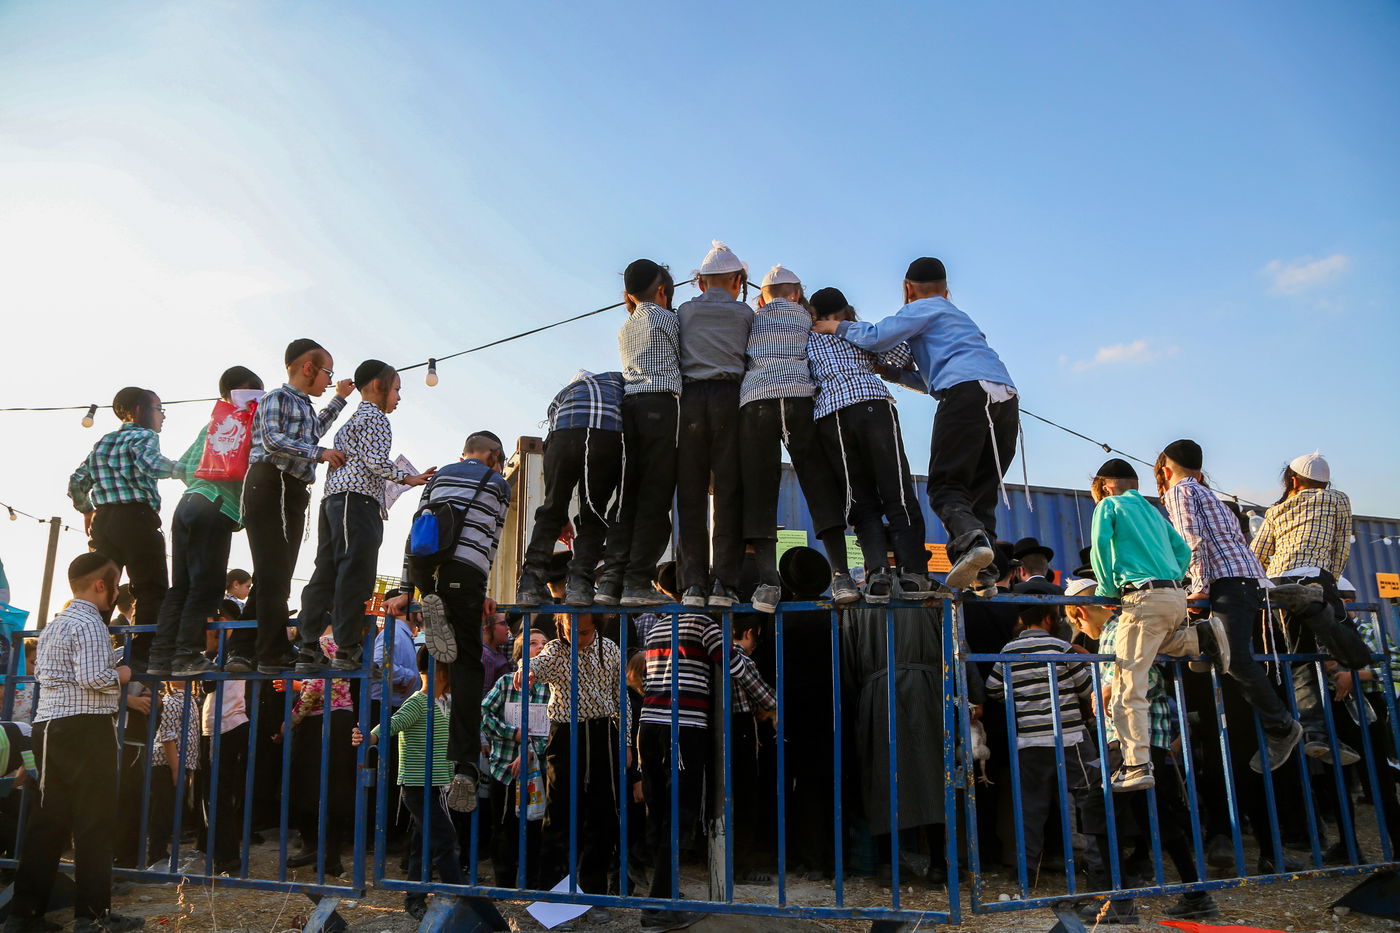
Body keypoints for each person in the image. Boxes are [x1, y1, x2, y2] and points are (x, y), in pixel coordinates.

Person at [813, 257, 1017, 592]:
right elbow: (928, 380)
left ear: (908, 289)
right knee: (980, 491)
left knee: (945, 487)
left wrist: (837, 327)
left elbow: (877, 337)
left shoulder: (921, 307)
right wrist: (889, 373)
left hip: (964, 394)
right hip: (1005, 398)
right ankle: (985, 569)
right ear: (947, 289)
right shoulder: (959, 317)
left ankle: (970, 545)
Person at [1062, 579, 1220, 921]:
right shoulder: (1128, 624)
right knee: (1158, 814)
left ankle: (1118, 900)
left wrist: (1108, 689)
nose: (1080, 629)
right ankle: (1196, 894)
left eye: (1076, 622)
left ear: (1079, 611)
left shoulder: (1120, 626)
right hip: (1148, 735)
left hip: (1134, 736)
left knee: (1097, 806)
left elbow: (1147, 678)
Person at [6, 553, 142, 933]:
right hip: (85, 729)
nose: (116, 593)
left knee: (47, 822)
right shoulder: (91, 622)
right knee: (94, 824)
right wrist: (124, 672)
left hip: (49, 727)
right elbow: (95, 678)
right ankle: (93, 916)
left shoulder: (55, 624)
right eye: (115, 586)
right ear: (102, 585)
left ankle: (23, 915)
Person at [1157, 439, 1302, 772]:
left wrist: (1198, 588)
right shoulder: (1209, 493)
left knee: (1235, 656)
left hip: (1228, 583)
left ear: (1166, 469)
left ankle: (1282, 726)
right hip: (1247, 578)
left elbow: (1190, 541)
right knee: (1227, 651)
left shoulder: (1180, 493)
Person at [387, 431, 510, 813]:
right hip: (464, 573)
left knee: (445, 648)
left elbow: (415, 530)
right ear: (492, 455)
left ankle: (431, 610)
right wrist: (481, 591)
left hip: (427, 568)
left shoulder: (438, 477)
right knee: (469, 664)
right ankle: (465, 764)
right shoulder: (497, 484)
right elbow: (490, 542)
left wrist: (407, 589)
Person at [637, 608, 774, 931]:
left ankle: (660, 896)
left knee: (657, 814)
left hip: (650, 725)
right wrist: (771, 701)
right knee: (680, 814)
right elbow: (736, 666)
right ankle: (659, 906)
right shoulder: (703, 625)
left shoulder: (659, 625)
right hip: (682, 729)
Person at [295, 361, 433, 674]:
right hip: (357, 501)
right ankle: (346, 646)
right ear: (378, 385)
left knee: (327, 569)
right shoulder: (376, 418)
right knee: (355, 571)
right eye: (396, 389)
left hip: (335, 499)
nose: (398, 397)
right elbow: (374, 460)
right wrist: (406, 478)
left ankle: (307, 644)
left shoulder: (354, 419)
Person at [738, 265, 862, 611]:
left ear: (762, 295)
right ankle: (841, 575)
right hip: (798, 398)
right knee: (816, 480)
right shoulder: (807, 320)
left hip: (756, 401)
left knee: (760, 487)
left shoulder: (751, 319)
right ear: (795, 293)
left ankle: (767, 583)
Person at [227, 338, 354, 675]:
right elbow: (271, 440)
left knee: (272, 574)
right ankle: (271, 652)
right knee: (274, 576)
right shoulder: (277, 398)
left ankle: (240, 650)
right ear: (308, 368)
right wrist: (320, 453)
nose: (329, 379)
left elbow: (314, 429)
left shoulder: (305, 407)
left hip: (292, 490)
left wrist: (340, 397)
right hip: (273, 483)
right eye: (328, 372)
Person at [1088, 457, 1214, 791]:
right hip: (1174, 597)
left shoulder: (1109, 506)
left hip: (1141, 598)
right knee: (1157, 644)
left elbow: (1100, 548)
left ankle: (1136, 765)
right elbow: (1183, 552)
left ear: (1105, 485)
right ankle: (1202, 637)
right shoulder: (1153, 513)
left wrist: (1106, 589)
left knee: (1128, 688)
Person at [806, 286, 927, 602]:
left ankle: (877, 575)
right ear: (846, 311)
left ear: (813, 314)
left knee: (860, 501)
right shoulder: (859, 333)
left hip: (831, 418)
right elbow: (903, 357)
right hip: (874, 409)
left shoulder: (805, 339)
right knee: (897, 493)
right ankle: (912, 574)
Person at [1250, 451, 1372, 763]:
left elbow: (1257, 554)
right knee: (1352, 651)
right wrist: (1328, 581)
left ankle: (1315, 732)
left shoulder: (1277, 510)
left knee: (1299, 658)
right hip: (1316, 577)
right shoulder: (1338, 499)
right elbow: (1340, 545)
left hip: (1281, 582)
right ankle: (1320, 615)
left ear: (1292, 480)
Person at [149, 367, 264, 678]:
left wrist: (204, 481)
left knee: (181, 587)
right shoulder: (255, 424)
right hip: (216, 508)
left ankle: (161, 657)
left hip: (188, 503)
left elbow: (184, 467)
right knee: (208, 587)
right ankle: (186, 655)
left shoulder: (213, 426)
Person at [68, 387, 189, 671]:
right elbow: (151, 464)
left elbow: (77, 481)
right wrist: (190, 469)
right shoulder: (144, 435)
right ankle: (141, 656)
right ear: (138, 411)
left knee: (101, 590)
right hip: (137, 517)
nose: (162, 417)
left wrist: (87, 509)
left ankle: (89, 654)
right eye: (159, 409)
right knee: (150, 588)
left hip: (104, 522)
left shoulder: (104, 442)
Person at [519, 613, 624, 921]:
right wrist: (526, 669)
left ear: (597, 627)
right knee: (559, 815)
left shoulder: (612, 649)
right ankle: (553, 900)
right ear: (561, 625)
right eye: (571, 630)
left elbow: (621, 698)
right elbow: (535, 663)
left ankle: (594, 896)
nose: (578, 638)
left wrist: (627, 741)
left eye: (585, 632)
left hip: (603, 733)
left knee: (602, 817)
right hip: (565, 735)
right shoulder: (555, 649)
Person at [983, 602, 1098, 879]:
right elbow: (1086, 690)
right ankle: (1098, 865)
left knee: (1031, 808)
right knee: (1090, 800)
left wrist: (1023, 696)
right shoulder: (1061, 648)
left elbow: (993, 689)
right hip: (1071, 739)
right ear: (1049, 618)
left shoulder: (1009, 651)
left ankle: (1027, 869)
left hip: (1029, 741)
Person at [675, 241, 754, 608]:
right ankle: (724, 583)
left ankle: (692, 584)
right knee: (728, 491)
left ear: (701, 282)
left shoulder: (685, 311)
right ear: (738, 280)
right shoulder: (745, 315)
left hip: (690, 402)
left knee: (690, 493)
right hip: (730, 398)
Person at [599, 260, 681, 608]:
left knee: (628, 496)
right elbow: (686, 361)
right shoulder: (667, 318)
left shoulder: (624, 328)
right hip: (663, 406)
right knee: (656, 496)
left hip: (629, 407)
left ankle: (609, 580)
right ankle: (637, 581)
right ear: (662, 291)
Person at [355, 659, 462, 919]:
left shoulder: (443, 702)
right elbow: (393, 723)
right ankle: (456, 894)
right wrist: (370, 737)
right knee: (445, 838)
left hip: (435, 785)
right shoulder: (418, 702)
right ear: (443, 674)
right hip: (418, 786)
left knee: (422, 844)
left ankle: (415, 898)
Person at [515, 371, 625, 607]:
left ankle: (530, 585)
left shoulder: (566, 393)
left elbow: (551, 442)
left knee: (551, 509)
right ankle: (580, 586)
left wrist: (559, 512)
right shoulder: (617, 383)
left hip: (565, 434)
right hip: (607, 436)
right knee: (593, 515)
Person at [480, 628, 550, 889]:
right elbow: (485, 714)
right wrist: (514, 734)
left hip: (538, 772)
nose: (541, 647)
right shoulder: (506, 683)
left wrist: (532, 749)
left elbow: (556, 726)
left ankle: (532, 882)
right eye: (533, 643)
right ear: (521, 651)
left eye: (544, 643)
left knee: (536, 828)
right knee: (504, 827)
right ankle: (505, 883)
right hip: (504, 768)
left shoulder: (551, 689)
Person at [283, 629, 355, 876]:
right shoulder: (345, 648)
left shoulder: (320, 647)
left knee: (312, 791)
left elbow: (314, 688)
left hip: (320, 727)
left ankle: (316, 848)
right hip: (343, 720)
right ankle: (330, 855)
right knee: (336, 790)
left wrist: (290, 720)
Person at [200, 601, 249, 874]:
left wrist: (212, 644)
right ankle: (217, 852)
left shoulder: (233, 654)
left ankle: (227, 858)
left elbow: (208, 682)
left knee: (219, 795)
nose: (215, 627)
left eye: (220, 621)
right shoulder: (217, 652)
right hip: (214, 727)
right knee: (212, 795)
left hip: (229, 726)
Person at [482, 609, 512, 693]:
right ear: (486, 629)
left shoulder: (497, 649)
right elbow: (484, 693)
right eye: (503, 623)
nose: (508, 627)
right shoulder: (485, 656)